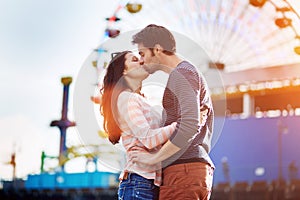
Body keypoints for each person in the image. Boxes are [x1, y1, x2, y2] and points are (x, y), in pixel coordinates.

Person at [130, 24, 215, 200]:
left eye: (142, 54)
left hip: (183, 169)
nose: (142, 60)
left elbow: (189, 125)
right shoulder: (184, 74)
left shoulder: (183, 74)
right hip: (187, 170)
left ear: (158, 49)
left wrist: (153, 160)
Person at [100, 50, 178, 200]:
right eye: (135, 60)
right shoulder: (126, 98)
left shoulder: (137, 99)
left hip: (148, 183)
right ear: (124, 70)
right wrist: (182, 125)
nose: (141, 61)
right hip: (139, 183)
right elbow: (149, 139)